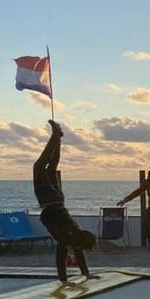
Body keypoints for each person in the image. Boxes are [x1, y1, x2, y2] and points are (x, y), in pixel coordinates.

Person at [33, 120, 97, 286]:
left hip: (59, 200)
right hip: (48, 200)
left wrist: (86, 274)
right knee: (39, 167)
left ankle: (58, 138)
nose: (79, 251)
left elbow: (78, 255)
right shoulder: (67, 238)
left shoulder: (75, 233)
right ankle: (56, 136)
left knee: (51, 168)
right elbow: (60, 259)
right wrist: (64, 281)